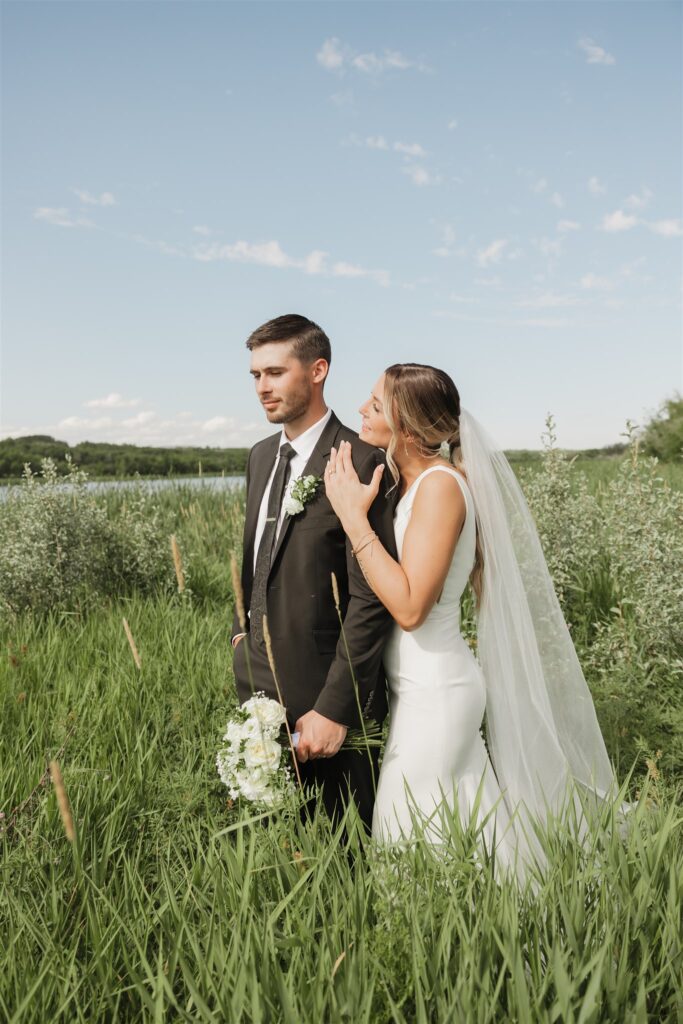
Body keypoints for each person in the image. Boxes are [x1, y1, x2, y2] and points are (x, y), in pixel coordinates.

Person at [324, 362, 626, 882]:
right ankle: (510, 926)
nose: (361, 410)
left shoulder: (441, 488)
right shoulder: (414, 484)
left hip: (437, 694)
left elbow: (412, 608)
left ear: (409, 426)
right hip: (417, 691)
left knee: (408, 838)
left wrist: (354, 520)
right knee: (466, 829)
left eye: (375, 404)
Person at [230, 314, 397, 834]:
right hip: (257, 694)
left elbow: (372, 598)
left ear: (318, 369)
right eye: (256, 374)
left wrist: (335, 708)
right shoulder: (261, 457)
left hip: (330, 706)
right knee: (273, 852)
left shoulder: (363, 459)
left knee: (344, 858)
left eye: (275, 373)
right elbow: (255, 564)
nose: (262, 387)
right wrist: (239, 638)